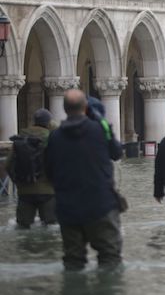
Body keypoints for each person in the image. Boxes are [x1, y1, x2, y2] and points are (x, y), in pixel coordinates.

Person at [44, 90, 124, 270]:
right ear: (86, 107)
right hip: (101, 206)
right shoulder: (100, 130)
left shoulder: (54, 137)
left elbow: (49, 173)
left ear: (64, 108)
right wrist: (103, 123)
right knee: (110, 259)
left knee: (73, 262)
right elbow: (117, 153)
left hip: (68, 208)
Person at [5, 109, 57, 228]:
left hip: (25, 191)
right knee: (51, 227)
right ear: (49, 123)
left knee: (22, 227)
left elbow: (8, 164)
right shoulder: (52, 138)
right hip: (48, 191)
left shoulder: (21, 139)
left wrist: (18, 182)